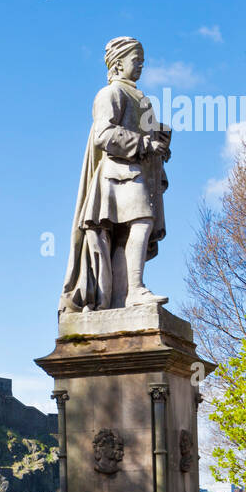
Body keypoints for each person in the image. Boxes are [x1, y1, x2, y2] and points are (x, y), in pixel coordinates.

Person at [60, 37, 171, 314]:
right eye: (137, 60)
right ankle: (135, 289)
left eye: (143, 60)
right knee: (143, 221)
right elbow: (103, 134)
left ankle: (124, 295)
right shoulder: (109, 94)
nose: (141, 65)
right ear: (119, 64)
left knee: (128, 234)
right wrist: (145, 144)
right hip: (117, 175)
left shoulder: (142, 100)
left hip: (136, 173)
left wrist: (159, 148)